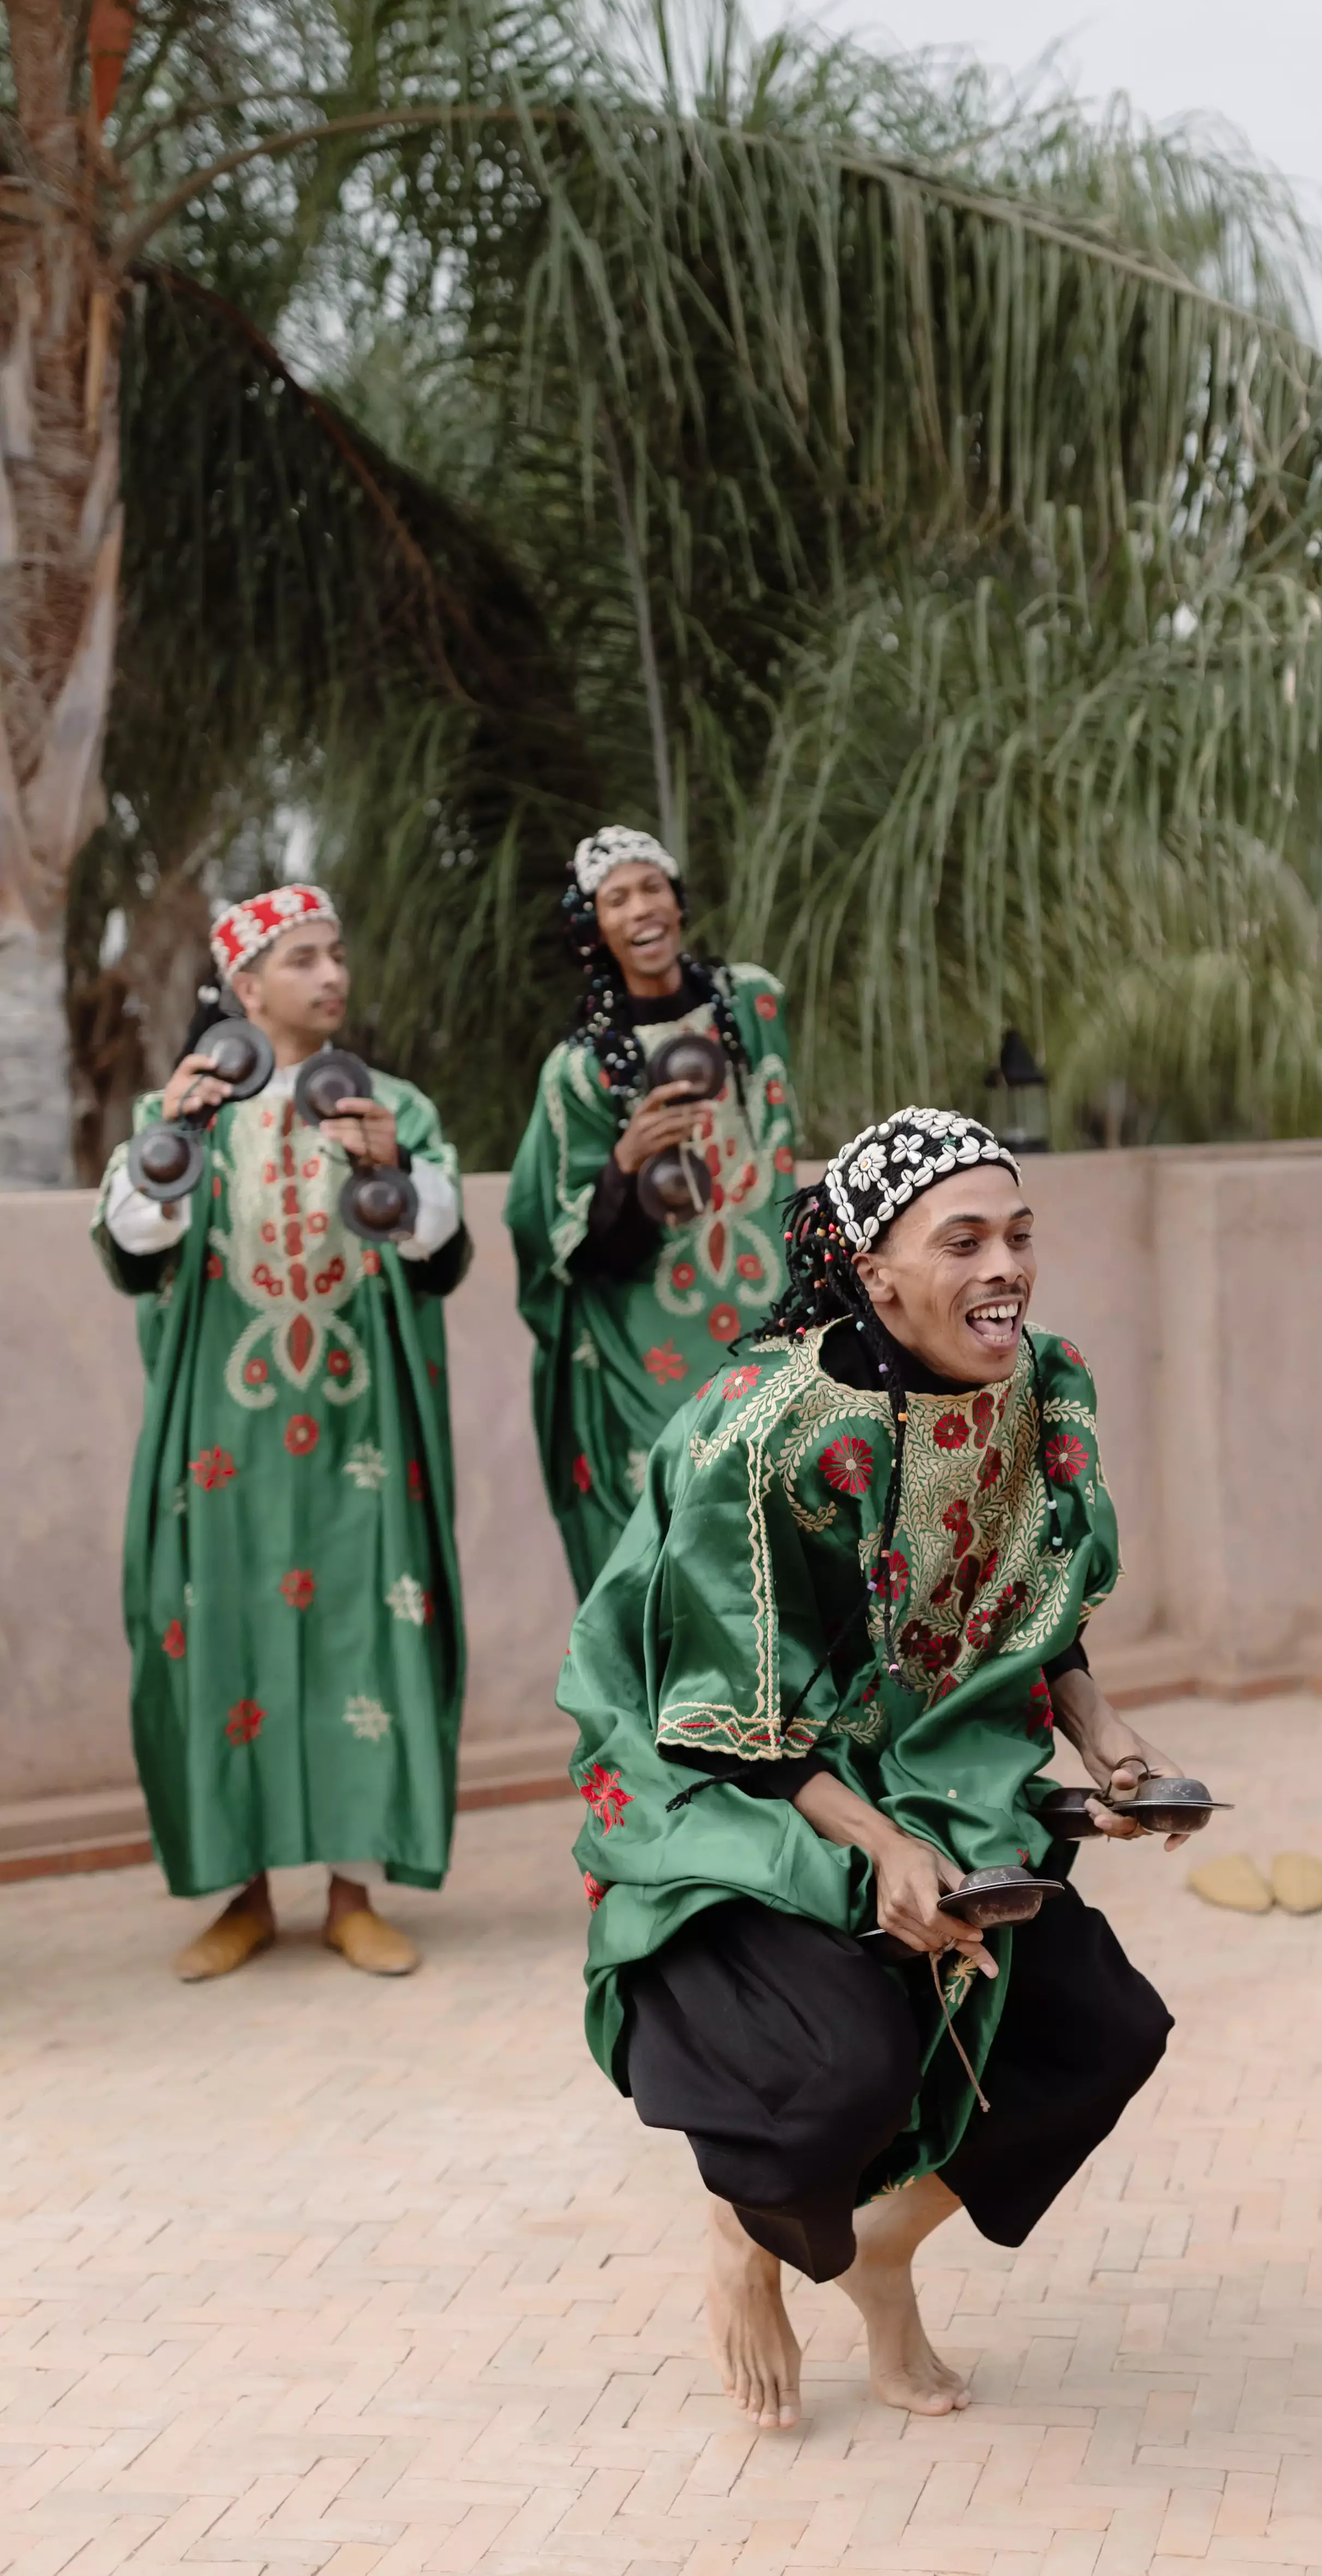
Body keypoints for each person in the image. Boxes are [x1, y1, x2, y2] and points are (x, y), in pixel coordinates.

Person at [559, 1106, 1180, 2430]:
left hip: (927, 1767)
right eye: (963, 1241)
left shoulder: (1035, 1380)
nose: (1005, 1266)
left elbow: (1037, 1612)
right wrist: (888, 1844)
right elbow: (730, 1706)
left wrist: (1108, 1738)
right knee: (838, 2070)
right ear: (871, 1268)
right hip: (731, 1774)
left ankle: (879, 2246)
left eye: (1018, 1232)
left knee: (1103, 2033)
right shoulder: (771, 1432)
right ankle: (750, 2235)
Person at [94, 886, 470, 1981]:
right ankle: (243, 1892)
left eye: (338, 953)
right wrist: (171, 1135)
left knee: (367, 1632)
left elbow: (440, 1252)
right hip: (225, 1437)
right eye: (303, 958)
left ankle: (354, 1894)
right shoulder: (194, 1100)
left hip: (361, 1428)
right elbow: (130, 1243)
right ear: (245, 987)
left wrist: (390, 1166)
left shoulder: (390, 1101)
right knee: (223, 1636)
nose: (332, 974)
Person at [506, 827, 801, 1595]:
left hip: (771, 1322)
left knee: (791, 1538)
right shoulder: (577, 1071)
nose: (641, 909)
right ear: (592, 926)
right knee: (679, 1553)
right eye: (617, 897)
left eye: (652, 887)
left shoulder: (751, 1002)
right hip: (650, 1351)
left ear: (678, 898)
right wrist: (627, 1161)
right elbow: (562, 1239)